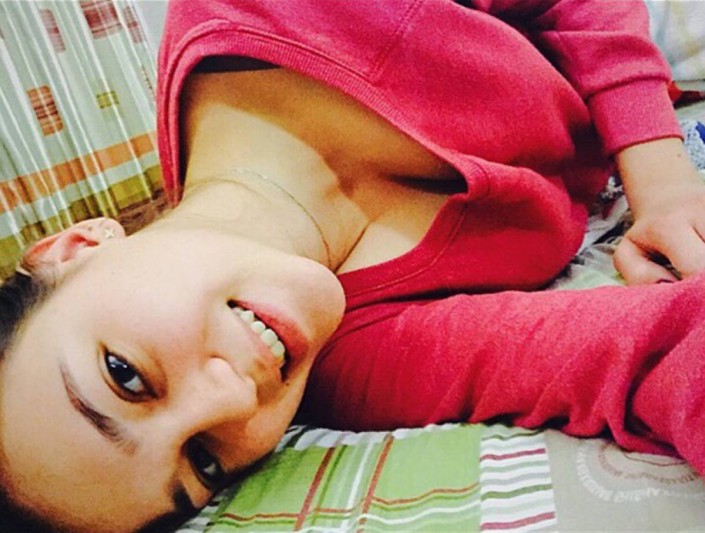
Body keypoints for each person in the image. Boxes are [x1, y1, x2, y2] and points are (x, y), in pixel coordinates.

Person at [1, 0, 705, 531]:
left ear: (75, 249)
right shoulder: (352, 362)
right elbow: (642, 350)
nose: (233, 403)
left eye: (124, 374)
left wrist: (659, 176)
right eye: (204, 461)